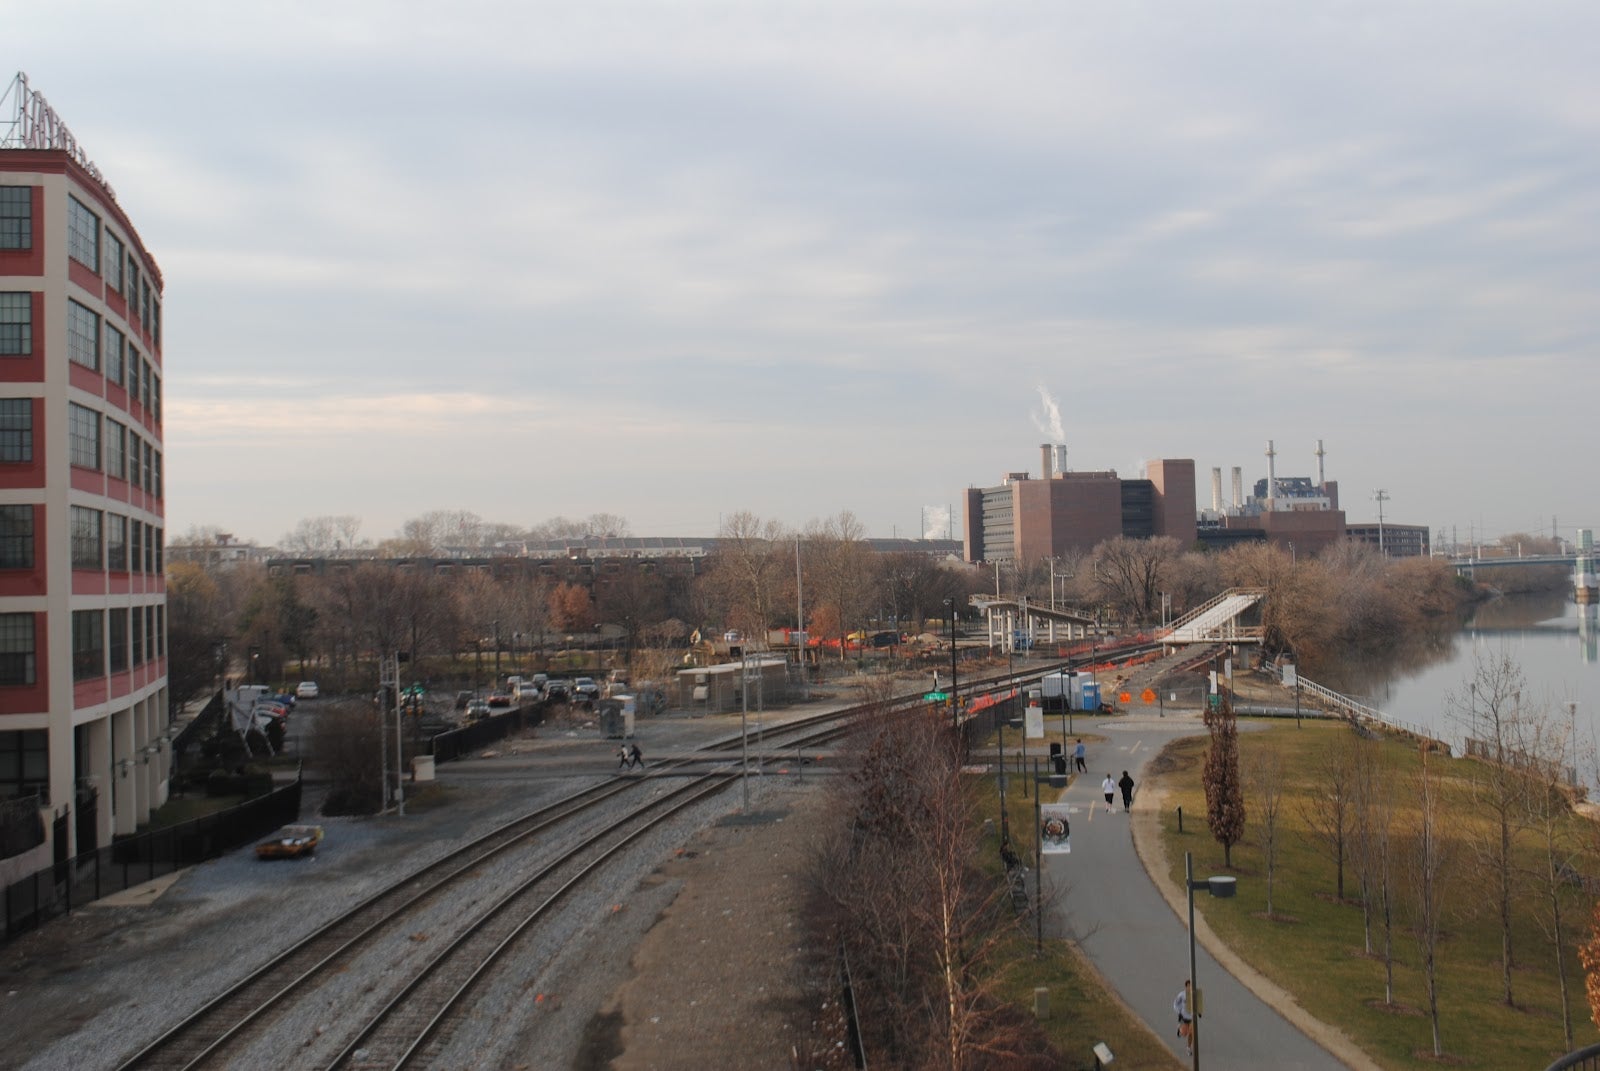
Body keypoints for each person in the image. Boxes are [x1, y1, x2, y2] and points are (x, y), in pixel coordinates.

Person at [1174, 980, 1195, 1054]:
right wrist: (1179, 1012)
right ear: (1186, 986)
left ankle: (1188, 1048)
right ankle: (1179, 1029)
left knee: (1191, 1033)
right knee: (1184, 1034)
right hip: (1183, 1016)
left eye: (1191, 986)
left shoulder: (1194, 994)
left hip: (1192, 1018)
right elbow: (1175, 1003)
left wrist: (1199, 1012)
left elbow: (1198, 1004)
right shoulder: (1182, 995)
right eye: (1189, 986)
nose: (1190, 987)